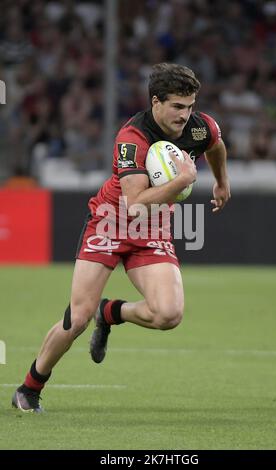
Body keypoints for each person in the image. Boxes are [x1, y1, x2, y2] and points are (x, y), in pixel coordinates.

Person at [12, 63, 231, 412]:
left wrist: (221, 182)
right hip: (111, 222)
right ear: (156, 102)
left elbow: (216, 145)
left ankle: (112, 312)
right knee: (78, 318)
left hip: (153, 227)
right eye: (177, 106)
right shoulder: (132, 138)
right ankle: (30, 385)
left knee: (169, 314)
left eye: (190, 106)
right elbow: (133, 203)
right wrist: (183, 180)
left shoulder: (200, 127)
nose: (185, 115)